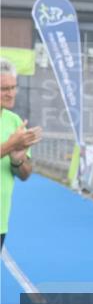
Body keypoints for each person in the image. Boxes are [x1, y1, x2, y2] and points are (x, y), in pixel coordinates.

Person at [1, 58, 42, 252]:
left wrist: (18, 161)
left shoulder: (15, 121)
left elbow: (25, 174)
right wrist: (10, 145)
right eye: (4, 89)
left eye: (13, 87)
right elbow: (10, 145)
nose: (10, 94)